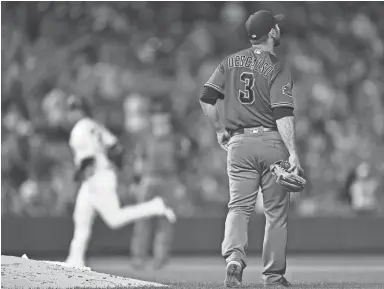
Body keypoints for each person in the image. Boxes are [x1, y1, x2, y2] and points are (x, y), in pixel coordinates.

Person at [199, 10, 303, 288]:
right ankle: (273, 277)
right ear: (271, 33)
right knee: (276, 214)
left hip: (239, 144)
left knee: (239, 207)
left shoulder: (229, 62)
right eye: (276, 25)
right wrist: (292, 151)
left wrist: (221, 130)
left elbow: (207, 100)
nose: (279, 28)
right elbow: (282, 113)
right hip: (271, 143)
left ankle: (234, 258)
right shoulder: (278, 66)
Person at [64, 95, 176, 268]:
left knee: (114, 219)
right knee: (81, 217)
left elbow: (87, 161)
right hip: (101, 176)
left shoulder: (79, 129)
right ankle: (75, 259)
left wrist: (75, 180)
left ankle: (155, 206)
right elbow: (116, 149)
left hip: (96, 178)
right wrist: (117, 170)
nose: (71, 114)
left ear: (81, 111)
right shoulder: (95, 125)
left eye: (74, 109)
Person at [130, 99, 185, 270]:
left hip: (169, 179)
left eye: (162, 115)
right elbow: (139, 160)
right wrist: (135, 181)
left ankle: (160, 257)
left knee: (165, 220)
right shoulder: (146, 136)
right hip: (149, 178)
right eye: (156, 115)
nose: (159, 118)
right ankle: (138, 257)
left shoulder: (176, 137)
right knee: (143, 221)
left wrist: (180, 182)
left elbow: (183, 161)